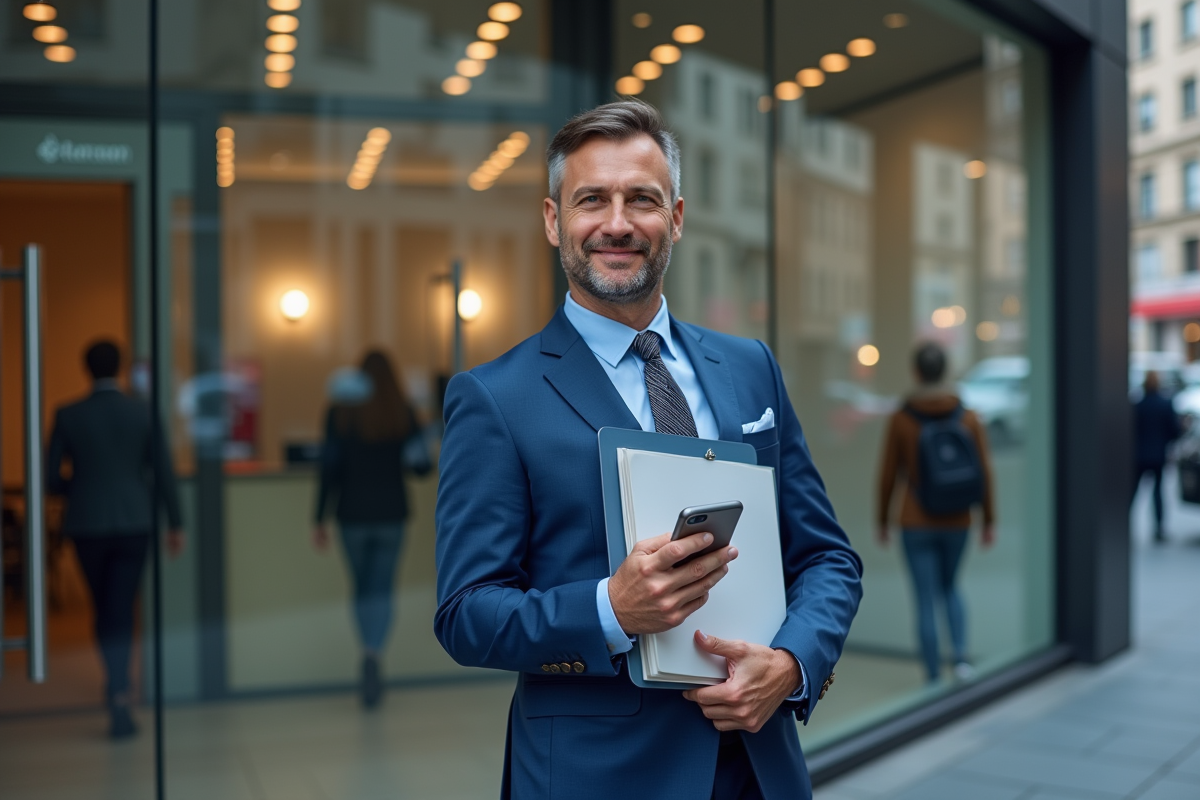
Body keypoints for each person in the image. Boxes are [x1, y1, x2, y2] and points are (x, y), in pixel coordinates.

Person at [434, 101, 863, 800]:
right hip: (597, 775)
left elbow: (826, 556)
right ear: (552, 220)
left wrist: (791, 661)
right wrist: (609, 609)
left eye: (643, 199)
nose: (617, 223)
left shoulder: (750, 365)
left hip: (758, 765)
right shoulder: (495, 398)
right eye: (591, 200)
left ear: (678, 218)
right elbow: (466, 614)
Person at [45, 340, 184, 739]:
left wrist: (82, 489)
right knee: (122, 605)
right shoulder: (140, 411)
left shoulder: (68, 414)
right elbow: (163, 471)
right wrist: (175, 522)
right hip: (134, 521)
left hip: (87, 524)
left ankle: (116, 682)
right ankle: (120, 691)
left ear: (85, 368)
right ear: (120, 367)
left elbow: (51, 478)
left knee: (102, 606)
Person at [876, 342, 994, 684]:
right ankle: (960, 659)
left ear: (916, 372)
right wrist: (989, 520)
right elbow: (984, 471)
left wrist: (883, 520)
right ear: (945, 370)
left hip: (915, 520)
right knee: (951, 587)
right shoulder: (968, 415)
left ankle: (931, 675)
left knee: (924, 598)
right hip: (959, 519)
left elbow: (889, 474)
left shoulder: (902, 418)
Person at [313, 349, 421, 708]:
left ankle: (366, 650)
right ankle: (374, 654)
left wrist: (318, 518)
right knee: (382, 591)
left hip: (352, 515)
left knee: (361, 590)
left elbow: (329, 469)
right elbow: (422, 467)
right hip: (391, 514)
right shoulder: (403, 413)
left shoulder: (340, 413)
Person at [1133, 370, 1182, 542]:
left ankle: (1123, 524)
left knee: (1133, 492)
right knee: (1158, 493)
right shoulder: (1165, 404)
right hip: (1158, 455)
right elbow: (1174, 431)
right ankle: (1159, 529)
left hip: (1138, 455)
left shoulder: (1138, 404)